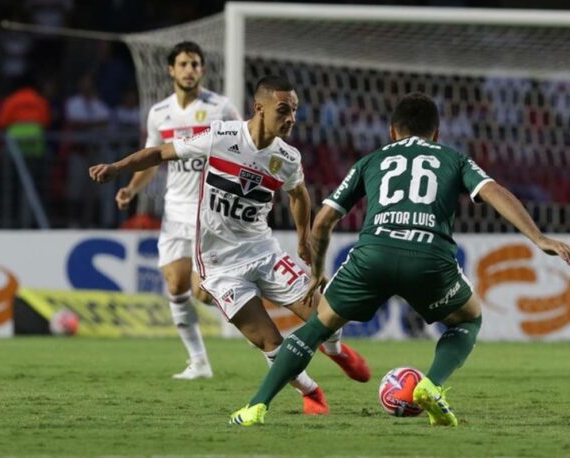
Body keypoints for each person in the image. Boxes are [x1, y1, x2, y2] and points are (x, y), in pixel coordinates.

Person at [229, 92, 570, 427]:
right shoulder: (453, 158)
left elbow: (322, 222)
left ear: (392, 132)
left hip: (373, 257)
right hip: (429, 258)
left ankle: (255, 407)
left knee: (317, 327)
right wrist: (538, 237)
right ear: (436, 133)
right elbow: (494, 192)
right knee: (467, 321)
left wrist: (317, 271)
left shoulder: (373, 160)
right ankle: (432, 385)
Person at [89, 75, 371, 415]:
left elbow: (298, 195)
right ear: (259, 108)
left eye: (294, 111)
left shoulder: (287, 157)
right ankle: (311, 391)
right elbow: (160, 152)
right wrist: (116, 168)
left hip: (264, 252)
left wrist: (301, 239)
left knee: (326, 314)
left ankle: (337, 350)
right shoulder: (221, 136)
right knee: (269, 341)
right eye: (283, 110)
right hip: (220, 264)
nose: (291, 118)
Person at [115, 41, 240, 380]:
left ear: (202, 69)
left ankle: (249, 299)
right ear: (171, 70)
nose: (189, 70)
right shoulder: (159, 113)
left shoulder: (221, 108)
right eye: (183, 64)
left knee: (202, 293)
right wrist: (131, 188)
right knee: (175, 287)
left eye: (195, 64)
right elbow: (152, 160)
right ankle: (199, 362)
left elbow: (243, 148)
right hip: (174, 213)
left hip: (210, 213)